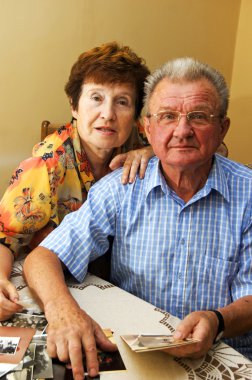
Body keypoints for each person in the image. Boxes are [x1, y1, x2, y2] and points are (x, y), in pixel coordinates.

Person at [23, 57, 252, 379]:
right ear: (148, 127)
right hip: (133, 354)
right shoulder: (121, 187)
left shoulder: (248, 194)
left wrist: (218, 320)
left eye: (198, 117)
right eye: (168, 116)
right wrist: (63, 312)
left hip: (224, 352)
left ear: (222, 128)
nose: (182, 130)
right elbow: (44, 257)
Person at [0, 41, 153, 321]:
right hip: (58, 282)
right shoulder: (47, 163)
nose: (108, 114)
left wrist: (153, 151)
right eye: (96, 98)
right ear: (74, 105)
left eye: (122, 102)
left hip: (123, 288)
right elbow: (5, 236)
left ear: (135, 115)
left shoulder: (144, 137)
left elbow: (213, 149)